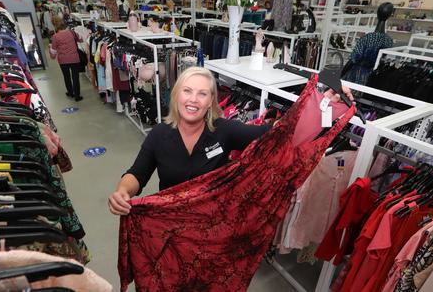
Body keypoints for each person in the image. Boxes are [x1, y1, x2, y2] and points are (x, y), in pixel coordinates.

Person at [108, 67, 354, 215]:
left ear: (210, 101)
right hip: (170, 223)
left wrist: (326, 107)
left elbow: (278, 134)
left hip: (214, 226)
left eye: (202, 93)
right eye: (187, 91)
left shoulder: (223, 130)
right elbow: (137, 174)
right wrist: (122, 191)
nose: (193, 99)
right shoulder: (159, 134)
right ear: (176, 96)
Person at [49, 15, 83, 102]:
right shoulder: (72, 32)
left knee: (66, 77)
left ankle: (70, 92)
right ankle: (77, 96)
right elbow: (81, 39)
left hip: (63, 60)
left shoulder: (55, 37)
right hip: (74, 58)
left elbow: (53, 54)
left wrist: (50, 48)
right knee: (75, 77)